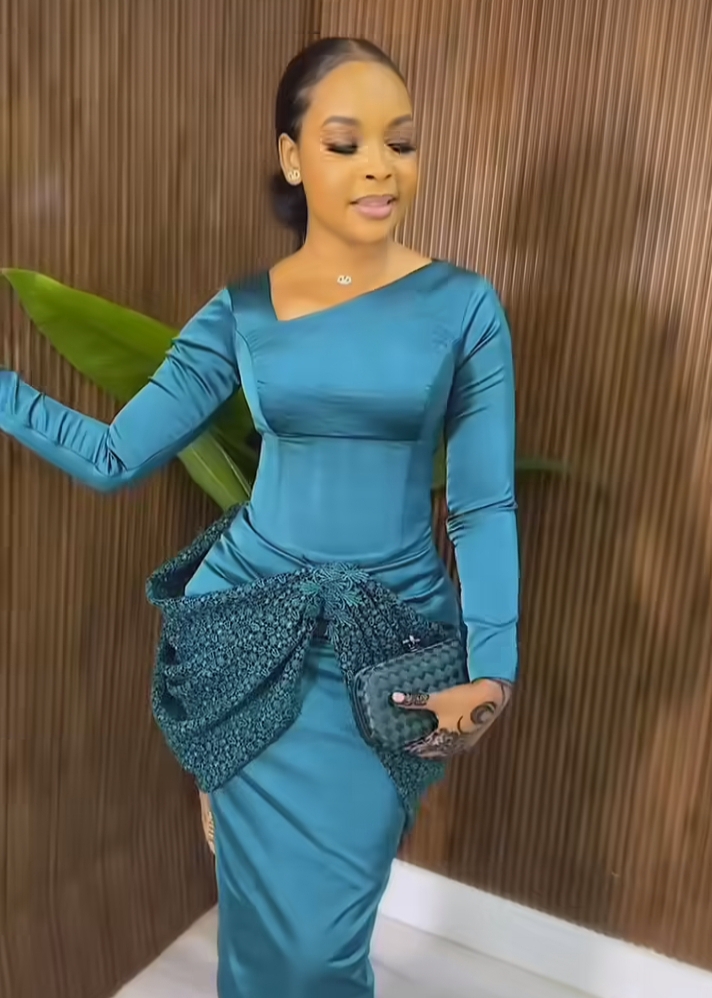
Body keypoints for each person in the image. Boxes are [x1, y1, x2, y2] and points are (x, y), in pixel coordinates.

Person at [0, 37, 519, 998]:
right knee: (258, 935)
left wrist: (495, 666)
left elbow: (484, 503)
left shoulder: (465, 308)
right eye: (346, 142)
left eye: (400, 142)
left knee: (325, 948)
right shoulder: (243, 311)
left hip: (388, 655)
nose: (380, 166)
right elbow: (115, 456)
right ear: (292, 157)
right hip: (246, 640)